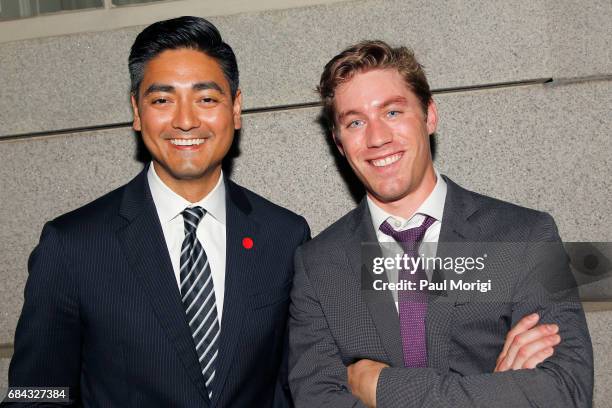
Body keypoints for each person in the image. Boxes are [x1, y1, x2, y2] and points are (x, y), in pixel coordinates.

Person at [5, 16, 309, 407]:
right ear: (136, 110)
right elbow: (35, 394)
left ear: (235, 107)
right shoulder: (72, 245)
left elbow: (294, 385)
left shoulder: (283, 236)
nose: (185, 121)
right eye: (162, 100)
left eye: (207, 99)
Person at [288, 40, 593, 407]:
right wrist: (493, 392)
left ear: (430, 116)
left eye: (393, 112)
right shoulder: (317, 265)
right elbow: (316, 401)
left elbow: (564, 390)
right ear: (340, 144)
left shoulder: (524, 237)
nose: (377, 137)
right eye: (355, 122)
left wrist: (382, 387)